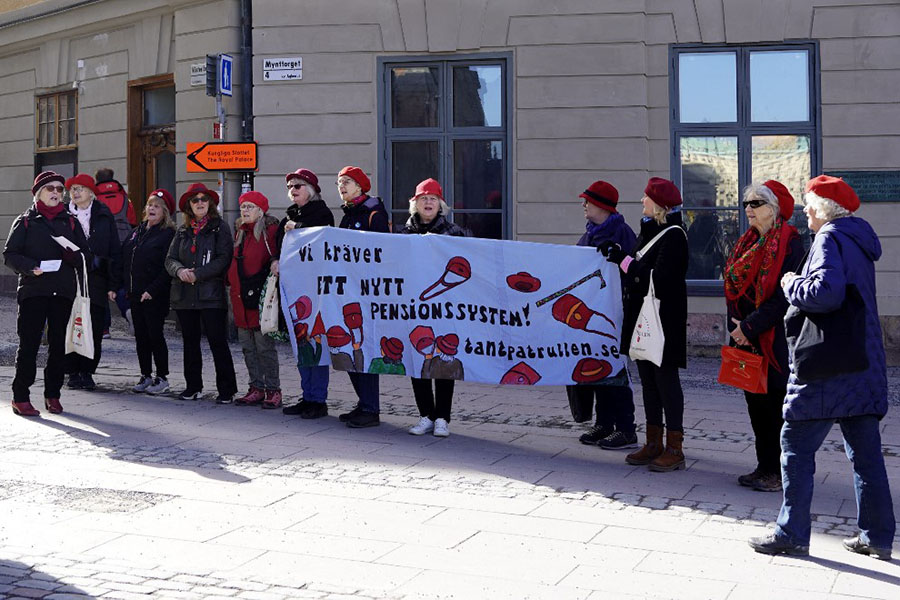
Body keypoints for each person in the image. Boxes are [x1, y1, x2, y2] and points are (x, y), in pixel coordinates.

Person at [750, 175, 895, 560]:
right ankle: (876, 536)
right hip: (861, 361)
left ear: (823, 209)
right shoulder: (859, 238)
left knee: (794, 446)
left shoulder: (829, 237)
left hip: (827, 367)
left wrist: (791, 283)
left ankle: (791, 533)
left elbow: (825, 293)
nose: (805, 210)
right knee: (866, 455)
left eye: (809, 204)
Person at [602, 177, 688, 471]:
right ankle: (653, 442)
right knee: (649, 382)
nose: (642, 201)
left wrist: (624, 261)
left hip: (663, 321)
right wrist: (621, 259)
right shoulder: (651, 230)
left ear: (659, 204)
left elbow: (659, 277)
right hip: (644, 317)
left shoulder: (674, 235)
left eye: (646, 197)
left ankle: (675, 447)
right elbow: (639, 268)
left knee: (666, 382)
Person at [724, 181, 803, 492]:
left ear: (773, 208)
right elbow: (733, 285)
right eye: (746, 203)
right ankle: (764, 466)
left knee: (775, 407)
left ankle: (780, 472)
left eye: (756, 203)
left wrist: (749, 326)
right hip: (745, 336)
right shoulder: (747, 242)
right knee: (755, 406)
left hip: (774, 340)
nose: (748, 209)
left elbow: (783, 298)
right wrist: (738, 326)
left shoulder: (791, 245)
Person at [4, 171, 89, 416]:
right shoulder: (26, 221)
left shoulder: (71, 221)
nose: (55, 193)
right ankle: (20, 397)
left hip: (62, 292)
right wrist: (30, 267)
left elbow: (86, 255)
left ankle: (53, 395)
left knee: (58, 347)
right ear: (38, 192)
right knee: (29, 345)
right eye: (50, 188)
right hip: (34, 291)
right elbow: (10, 254)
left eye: (59, 189)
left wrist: (75, 256)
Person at [398, 178, 469, 437]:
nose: (428, 202)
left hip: (445, 308)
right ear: (414, 204)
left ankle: (443, 418)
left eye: (432, 198)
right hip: (414, 307)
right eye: (423, 198)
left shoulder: (455, 233)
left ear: (441, 205)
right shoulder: (403, 233)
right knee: (419, 358)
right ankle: (425, 414)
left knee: (444, 360)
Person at [570, 180, 638, 450]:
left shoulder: (622, 233)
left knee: (616, 372)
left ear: (602, 206)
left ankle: (625, 428)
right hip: (592, 313)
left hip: (615, 313)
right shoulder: (590, 234)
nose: (584, 205)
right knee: (596, 368)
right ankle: (604, 423)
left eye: (588, 201)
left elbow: (634, 271)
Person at [165, 182, 237, 403]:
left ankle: (226, 390)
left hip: (211, 295)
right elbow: (170, 259)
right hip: (185, 295)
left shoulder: (219, 227)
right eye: (195, 200)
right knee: (190, 343)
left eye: (203, 199)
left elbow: (224, 258)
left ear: (210, 203)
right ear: (189, 206)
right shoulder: (183, 230)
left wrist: (200, 274)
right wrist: (180, 271)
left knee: (217, 342)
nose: (199, 203)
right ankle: (192, 386)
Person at [276, 169, 335, 419]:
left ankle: (318, 400)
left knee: (317, 343)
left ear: (310, 189)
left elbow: (322, 239)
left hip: (316, 288)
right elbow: (280, 246)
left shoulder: (322, 213)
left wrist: (298, 227)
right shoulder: (287, 215)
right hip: (295, 288)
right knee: (301, 345)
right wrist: (274, 261)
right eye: (290, 186)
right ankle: (306, 395)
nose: (293, 190)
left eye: (298, 186)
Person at [335, 166, 390, 428]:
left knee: (364, 348)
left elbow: (380, 252)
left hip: (368, 292)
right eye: (339, 183)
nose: (342, 186)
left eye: (347, 182)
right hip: (348, 289)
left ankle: (371, 408)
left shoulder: (374, 214)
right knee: (350, 346)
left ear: (360, 186)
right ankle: (363, 402)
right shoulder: (347, 214)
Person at [63, 173, 122, 391]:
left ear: (91, 193)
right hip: (69, 278)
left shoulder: (104, 214)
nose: (75, 192)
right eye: (72, 189)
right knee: (70, 325)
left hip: (97, 278)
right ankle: (71, 370)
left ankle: (87, 371)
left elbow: (114, 249)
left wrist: (114, 284)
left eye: (80, 188)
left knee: (94, 326)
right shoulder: (64, 215)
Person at [117, 189, 176, 395]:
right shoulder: (138, 231)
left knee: (155, 335)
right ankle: (145, 375)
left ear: (165, 212)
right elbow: (125, 258)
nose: (152, 209)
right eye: (150, 205)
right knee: (140, 336)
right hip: (134, 293)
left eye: (157, 206)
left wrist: (152, 290)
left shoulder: (167, 234)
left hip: (154, 294)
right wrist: (120, 285)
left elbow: (167, 267)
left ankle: (162, 377)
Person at [228, 191, 282, 409]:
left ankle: (273, 389)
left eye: (250, 207)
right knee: (248, 347)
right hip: (240, 299)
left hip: (260, 300)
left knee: (264, 347)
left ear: (261, 210)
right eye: (243, 207)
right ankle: (256, 387)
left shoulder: (269, 232)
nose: (245, 211)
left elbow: (277, 256)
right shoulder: (240, 232)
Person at [94, 167, 136, 336]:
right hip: (125, 241)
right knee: (120, 280)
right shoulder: (124, 197)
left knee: (101, 282)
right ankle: (127, 309)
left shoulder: (94, 198)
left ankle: (104, 328)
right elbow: (133, 220)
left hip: (104, 243)